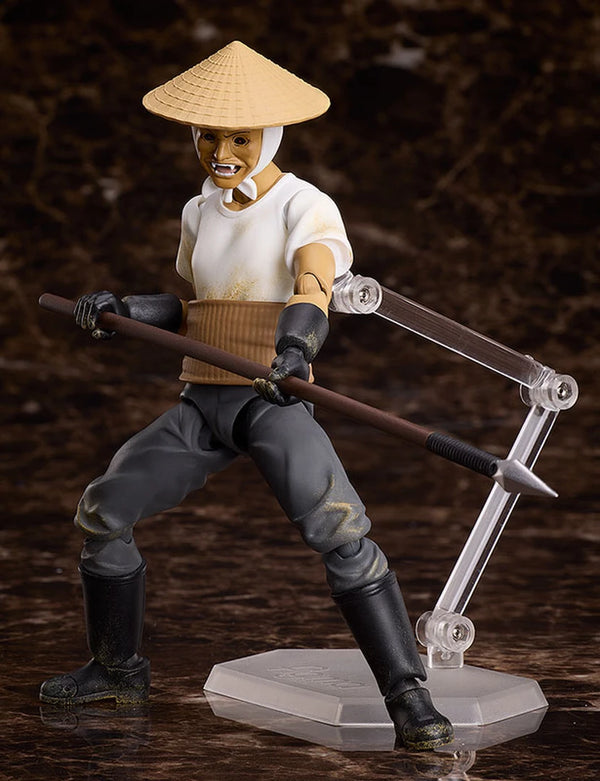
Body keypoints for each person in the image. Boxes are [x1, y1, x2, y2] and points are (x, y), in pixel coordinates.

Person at [40, 41, 453, 751]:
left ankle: (408, 696)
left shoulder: (304, 204)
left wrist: (295, 349)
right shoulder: (199, 209)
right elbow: (194, 307)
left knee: (341, 531)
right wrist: (123, 310)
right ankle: (117, 670)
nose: (221, 152)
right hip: (202, 403)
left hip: (272, 400)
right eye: (210, 136)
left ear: (271, 136)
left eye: (239, 138)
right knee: (104, 508)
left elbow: (313, 285)